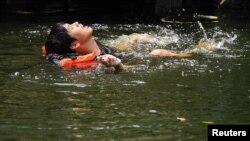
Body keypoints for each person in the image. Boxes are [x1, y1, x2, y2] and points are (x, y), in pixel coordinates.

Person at [44, 21, 192, 69]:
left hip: (112, 49)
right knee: (157, 52)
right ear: (75, 44)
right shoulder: (98, 62)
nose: (76, 22)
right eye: (72, 27)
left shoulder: (97, 46)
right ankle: (194, 51)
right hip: (116, 57)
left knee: (134, 37)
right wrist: (117, 65)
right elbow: (130, 69)